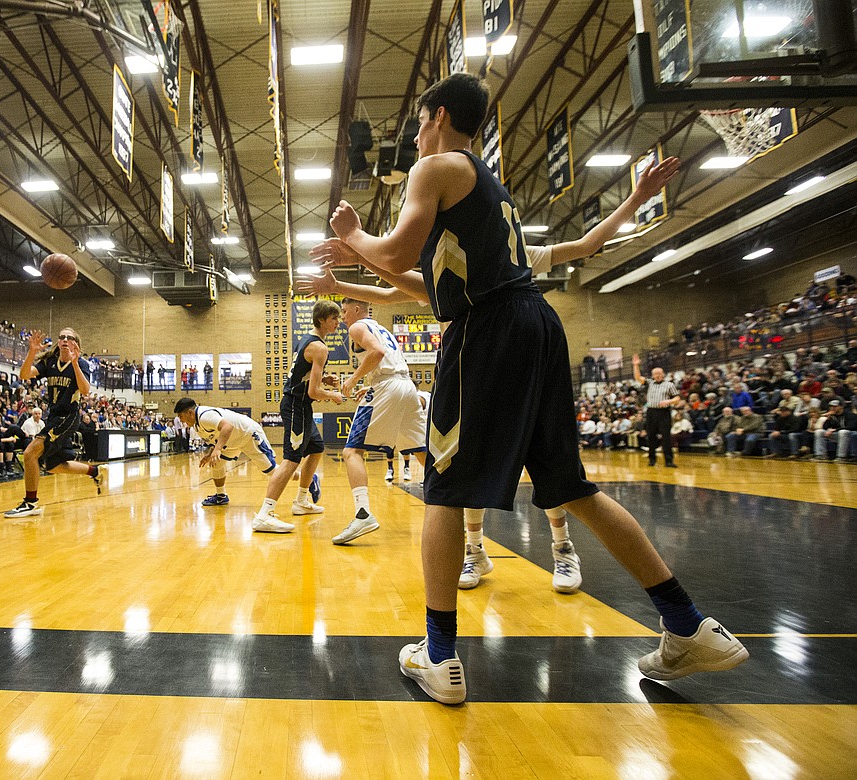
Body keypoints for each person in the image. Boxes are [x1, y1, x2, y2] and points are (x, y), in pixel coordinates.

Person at [318, 73, 747, 704]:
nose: (413, 136)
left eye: (415, 123)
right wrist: (358, 278)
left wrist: (355, 236)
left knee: (443, 486)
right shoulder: (486, 196)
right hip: (534, 325)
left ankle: (439, 655)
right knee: (570, 486)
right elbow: (425, 284)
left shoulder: (435, 168)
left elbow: (400, 250)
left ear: (436, 115)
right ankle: (686, 623)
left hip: (489, 332)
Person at [330, 297, 427, 545]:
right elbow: (386, 360)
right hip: (407, 387)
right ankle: (449, 505)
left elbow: (377, 353)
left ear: (357, 308)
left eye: (344, 311)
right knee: (422, 452)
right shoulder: (381, 327)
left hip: (388, 387)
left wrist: (352, 381)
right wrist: (369, 384)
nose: (343, 318)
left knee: (351, 451)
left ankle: (363, 514)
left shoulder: (358, 326)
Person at [251, 300, 345, 533]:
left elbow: (302, 377)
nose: (338, 323)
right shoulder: (320, 348)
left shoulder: (308, 339)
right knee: (291, 460)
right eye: (334, 318)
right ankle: (264, 514)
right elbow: (313, 392)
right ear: (322, 319)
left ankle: (302, 500)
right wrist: (332, 394)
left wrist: (324, 380)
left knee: (316, 448)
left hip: (301, 405)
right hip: (296, 405)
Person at [4, 328, 102, 518]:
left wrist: (74, 364)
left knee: (30, 453)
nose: (65, 340)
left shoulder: (81, 363)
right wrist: (32, 352)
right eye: (62, 337)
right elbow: (24, 375)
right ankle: (95, 471)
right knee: (53, 465)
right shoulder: (50, 362)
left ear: (76, 344)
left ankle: (30, 502)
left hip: (68, 416)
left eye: (69, 337)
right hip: (54, 416)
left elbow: (85, 390)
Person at [174, 398, 277, 506]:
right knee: (216, 463)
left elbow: (227, 427)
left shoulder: (205, 416)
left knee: (272, 471)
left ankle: (296, 477)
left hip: (247, 434)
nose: (180, 420)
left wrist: (218, 449)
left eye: (181, 416)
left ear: (190, 413)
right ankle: (221, 496)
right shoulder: (196, 425)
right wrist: (210, 454)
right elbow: (216, 438)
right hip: (231, 440)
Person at [633, 355, 681, 467]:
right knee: (651, 436)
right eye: (655, 374)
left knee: (666, 437)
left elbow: (677, 398)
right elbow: (638, 377)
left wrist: (668, 402)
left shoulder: (669, 385)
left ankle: (669, 461)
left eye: (659, 373)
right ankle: (652, 459)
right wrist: (636, 365)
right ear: (653, 375)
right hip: (651, 412)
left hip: (664, 412)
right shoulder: (649, 383)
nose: (657, 375)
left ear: (663, 374)